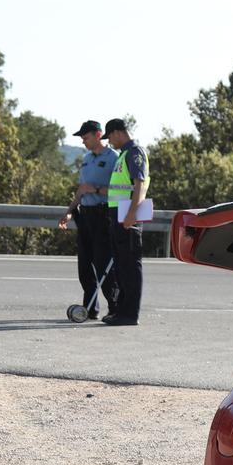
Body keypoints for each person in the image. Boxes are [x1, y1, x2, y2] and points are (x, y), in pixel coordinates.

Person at [56, 120, 120, 319]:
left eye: (86, 137)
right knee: (84, 265)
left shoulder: (114, 158)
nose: (83, 141)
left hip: (104, 215)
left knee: (103, 264)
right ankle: (90, 308)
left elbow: (122, 190)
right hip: (86, 215)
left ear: (98, 134)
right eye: (82, 138)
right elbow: (81, 189)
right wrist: (69, 211)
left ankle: (116, 306)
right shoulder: (86, 158)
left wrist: (96, 189)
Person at [102, 118, 150, 326]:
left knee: (130, 266)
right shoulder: (123, 155)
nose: (110, 142)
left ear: (118, 133)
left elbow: (139, 184)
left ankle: (129, 314)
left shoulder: (134, 152)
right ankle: (121, 311)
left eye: (110, 137)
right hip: (119, 215)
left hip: (128, 216)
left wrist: (132, 213)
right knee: (121, 266)